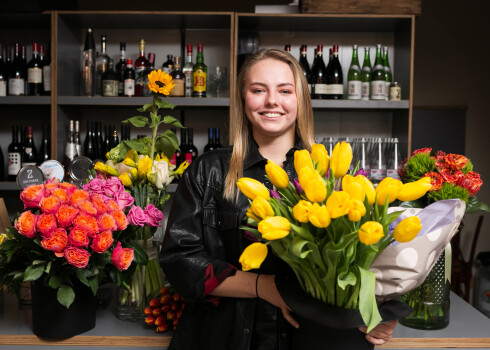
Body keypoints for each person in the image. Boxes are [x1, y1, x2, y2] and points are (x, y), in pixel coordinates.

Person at [159, 48, 397, 350]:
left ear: (301, 101)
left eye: (285, 90)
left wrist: (379, 311)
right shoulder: (209, 171)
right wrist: (262, 286)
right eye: (258, 90)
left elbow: (366, 262)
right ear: (244, 99)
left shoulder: (331, 174)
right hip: (225, 338)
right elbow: (179, 261)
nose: (272, 101)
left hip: (313, 337)